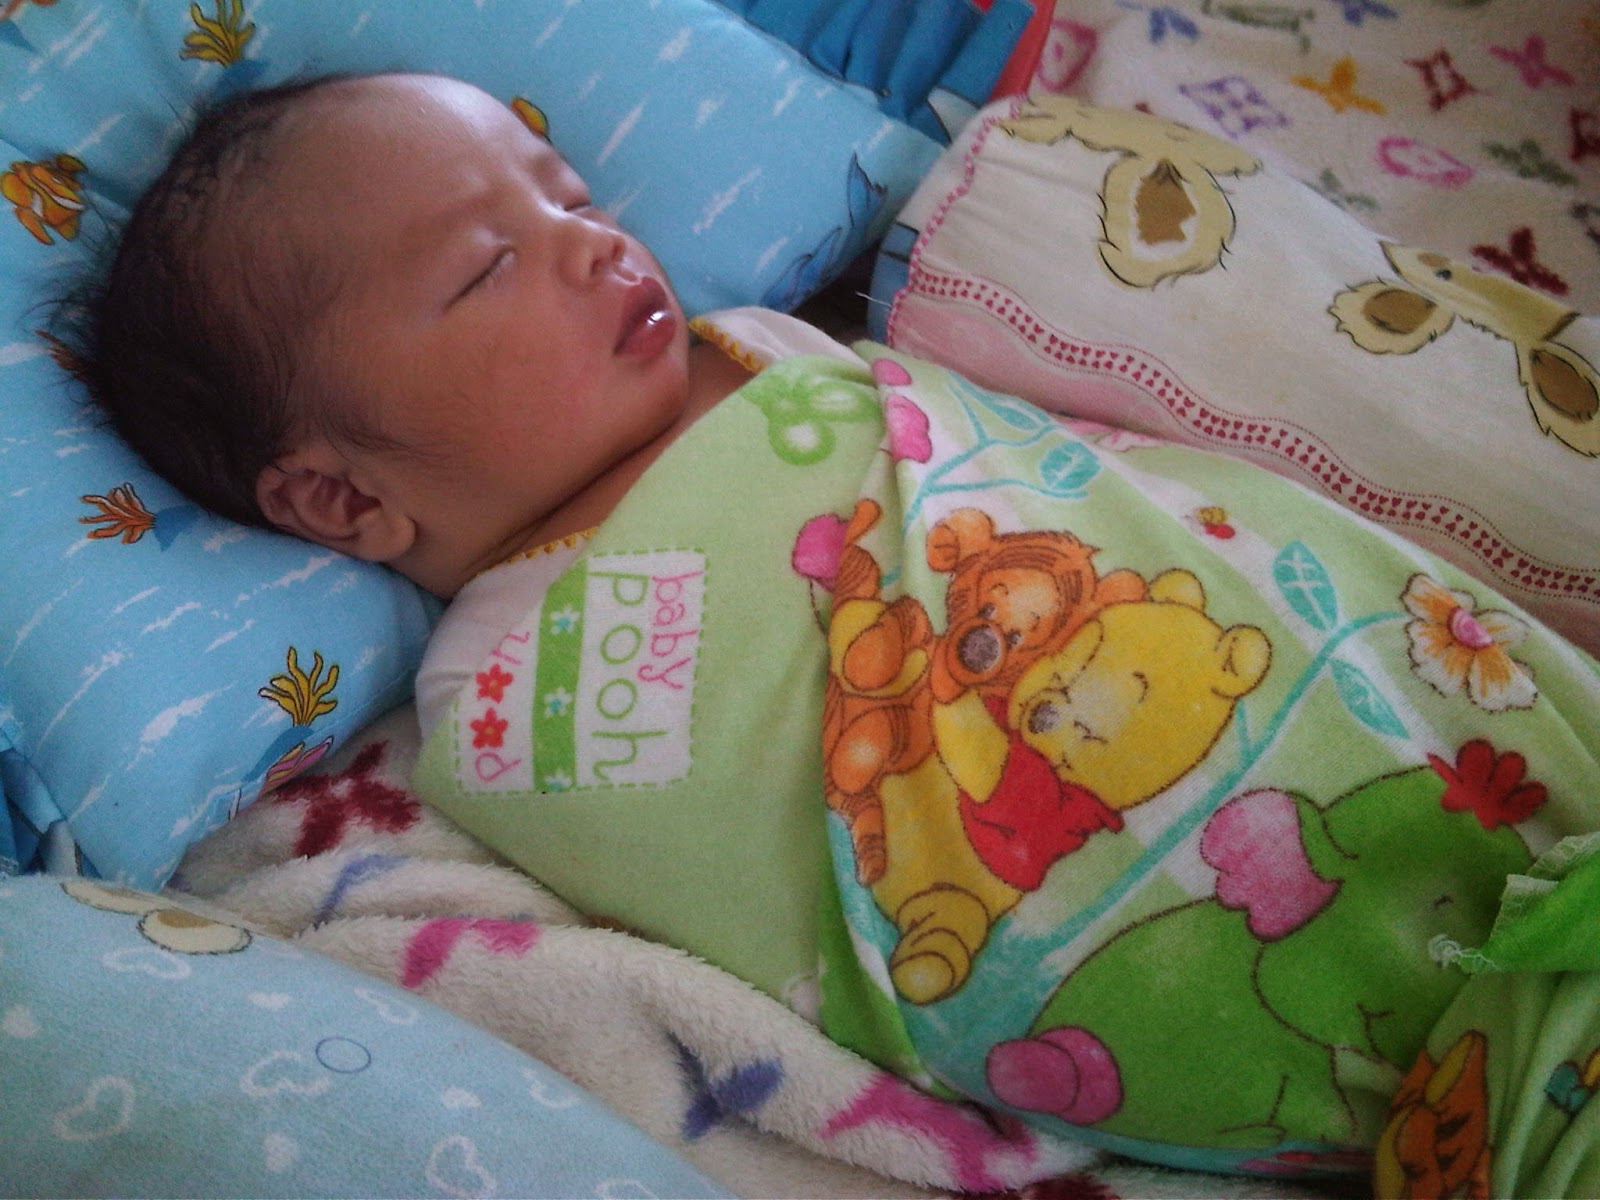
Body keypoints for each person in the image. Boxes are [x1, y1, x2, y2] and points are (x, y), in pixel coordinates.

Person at [82, 72, 1600, 1196]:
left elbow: (1089, 487)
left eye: (572, 197)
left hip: (1387, 705)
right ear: (342, 499)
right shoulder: (492, 703)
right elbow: (755, 898)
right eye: (489, 265)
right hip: (1192, 966)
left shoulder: (787, 351)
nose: (593, 242)